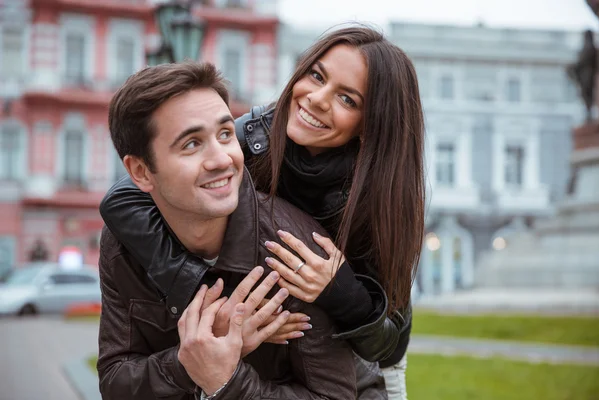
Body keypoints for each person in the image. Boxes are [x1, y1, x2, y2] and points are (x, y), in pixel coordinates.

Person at [101, 25, 424, 399]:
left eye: (347, 99)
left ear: (371, 126)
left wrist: (340, 290)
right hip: (270, 344)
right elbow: (121, 199)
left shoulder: (380, 198)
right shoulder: (250, 137)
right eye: (316, 75)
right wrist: (216, 300)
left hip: (361, 362)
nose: (317, 98)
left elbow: (388, 343)